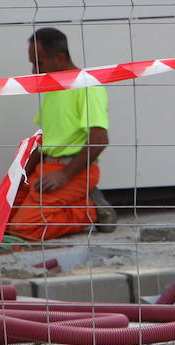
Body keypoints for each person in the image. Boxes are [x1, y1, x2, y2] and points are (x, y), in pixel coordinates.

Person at [8, 27, 116, 240]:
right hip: (45, 169)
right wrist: (21, 175)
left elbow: (99, 139)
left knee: (24, 228)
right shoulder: (54, 87)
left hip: (72, 170)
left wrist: (65, 175)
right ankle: (76, 201)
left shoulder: (88, 86)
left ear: (59, 57)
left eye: (39, 63)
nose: (34, 71)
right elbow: (45, 141)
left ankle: (90, 210)